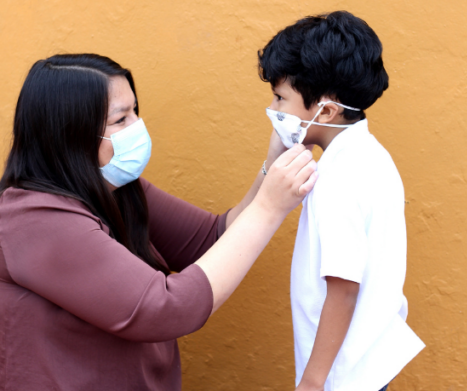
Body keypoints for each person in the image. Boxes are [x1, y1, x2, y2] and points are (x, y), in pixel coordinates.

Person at [0, 53, 317, 391]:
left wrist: (271, 165)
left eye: (135, 110)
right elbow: (165, 309)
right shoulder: (34, 219)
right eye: (121, 120)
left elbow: (212, 240)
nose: (137, 126)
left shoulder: (114, 187)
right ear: (69, 135)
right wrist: (269, 208)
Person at [258, 11, 425, 391]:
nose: (274, 110)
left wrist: (313, 382)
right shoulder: (368, 155)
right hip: (364, 362)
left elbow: (344, 286)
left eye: (280, 97)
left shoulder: (339, 176)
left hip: (341, 375)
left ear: (327, 110)